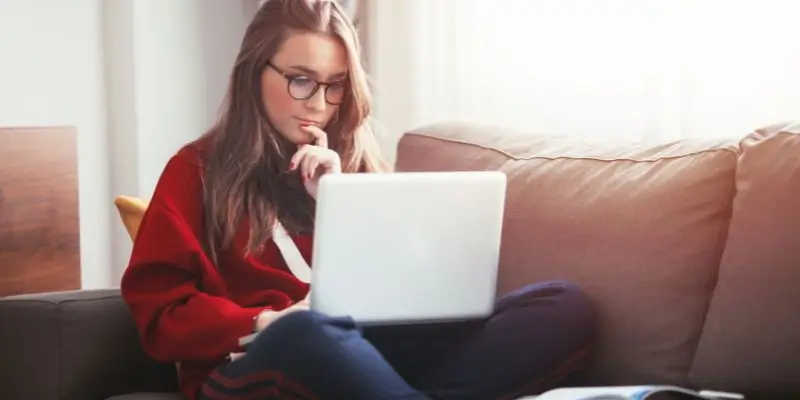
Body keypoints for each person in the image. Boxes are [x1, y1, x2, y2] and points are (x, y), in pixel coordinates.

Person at [120, 0, 597, 399]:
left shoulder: (354, 160)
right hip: (262, 358)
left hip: (371, 354)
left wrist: (335, 196)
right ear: (253, 73)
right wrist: (264, 320)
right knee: (307, 332)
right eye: (300, 79)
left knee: (563, 305)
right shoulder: (195, 170)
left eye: (335, 84)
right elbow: (161, 315)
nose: (319, 103)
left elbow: (400, 284)